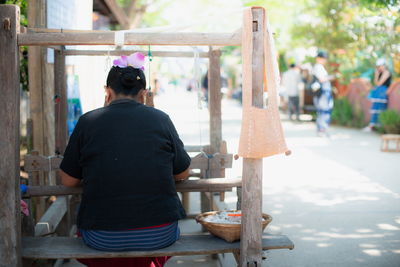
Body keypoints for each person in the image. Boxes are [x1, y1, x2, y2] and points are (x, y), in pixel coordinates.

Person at [59, 53, 191, 267]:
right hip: (159, 234)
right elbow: (182, 173)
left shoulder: (88, 121)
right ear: (144, 94)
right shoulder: (161, 119)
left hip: (102, 237)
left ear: (107, 92)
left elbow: (68, 181)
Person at [363, 58, 392, 132]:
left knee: (381, 108)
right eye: (378, 66)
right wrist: (376, 75)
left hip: (382, 91)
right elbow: (376, 83)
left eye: (380, 66)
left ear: (384, 65)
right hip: (378, 91)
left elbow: (379, 83)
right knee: (375, 108)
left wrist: (377, 74)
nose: (379, 68)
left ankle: (380, 126)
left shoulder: (387, 72)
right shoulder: (380, 73)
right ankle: (372, 125)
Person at [312, 51, 334, 136]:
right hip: (323, 92)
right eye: (323, 58)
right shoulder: (318, 67)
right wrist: (331, 77)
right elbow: (322, 79)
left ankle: (322, 129)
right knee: (324, 110)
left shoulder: (318, 67)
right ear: (318, 58)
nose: (324, 60)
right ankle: (322, 129)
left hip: (322, 92)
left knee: (322, 110)